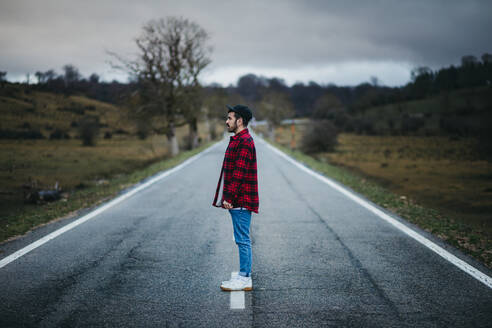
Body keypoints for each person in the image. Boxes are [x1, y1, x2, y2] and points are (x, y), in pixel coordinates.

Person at [213, 104, 259, 291]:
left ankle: (244, 278)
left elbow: (239, 174)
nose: (227, 121)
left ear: (240, 121)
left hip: (241, 199)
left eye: (230, 118)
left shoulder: (245, 142)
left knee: (242, 239)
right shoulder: (239, 140)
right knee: (241, 238)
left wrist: (229, 197)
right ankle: (243, 276)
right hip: (239, 199)